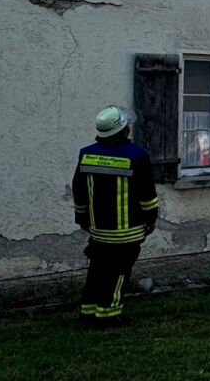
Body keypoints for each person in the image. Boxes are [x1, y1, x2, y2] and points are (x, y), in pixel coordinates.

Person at [72, 106, 159, 328]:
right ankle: (109, 315)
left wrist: (82, 218)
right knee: (118, 273)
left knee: (97, 270)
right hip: (126, 232)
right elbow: (147, 195)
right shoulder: (137, 156)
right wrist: (151, 219)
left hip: (98, 230)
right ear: (124, 130)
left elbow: (79, 191)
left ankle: (88, 311)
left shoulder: (87, 154)